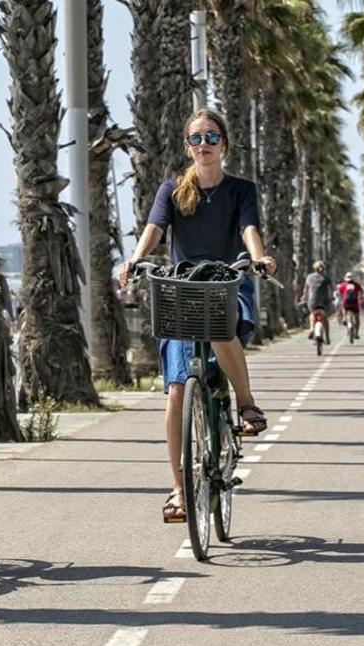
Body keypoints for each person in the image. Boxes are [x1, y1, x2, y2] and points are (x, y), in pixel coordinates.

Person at [118, 109, 276, 523]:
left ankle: (245, 404)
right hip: (181, 287)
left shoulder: (241, 189)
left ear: (224, 143)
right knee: (174, 393)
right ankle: (178, 488)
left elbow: (249, 229)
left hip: (226, 283)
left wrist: (258, 258)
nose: (203, 145)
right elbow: (154, 229)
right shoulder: (172, 188)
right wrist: (135, 259)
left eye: (211, 137)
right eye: (195, 139)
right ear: (186, 146)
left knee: (220, 324)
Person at [301, 261, 333, 341]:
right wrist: (330, 299)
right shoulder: (326, 277)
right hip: (323, 301)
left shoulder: (309, 277)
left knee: (312, 314)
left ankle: (312, 328)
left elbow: (305, 289)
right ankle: (327, 337)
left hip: (312, 301)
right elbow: (329, 290)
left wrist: (304, 297)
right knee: (324, 318)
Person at [336, 271, 364, 338]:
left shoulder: (343, 285)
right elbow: (361, 292)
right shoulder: (356, 285)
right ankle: (356, 333)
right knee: (357, 318)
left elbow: (338, 293)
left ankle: (344, 318)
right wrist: (360, 298)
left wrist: (341, 298)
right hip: (355, 303)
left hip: (346, 303)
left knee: (344, 308)